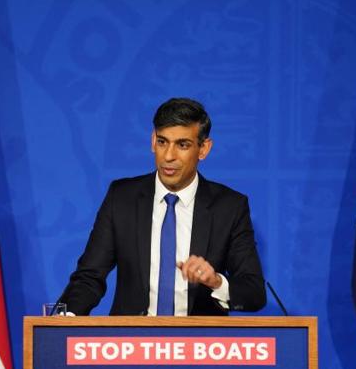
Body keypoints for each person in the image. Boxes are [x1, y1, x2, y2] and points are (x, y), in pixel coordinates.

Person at [59, 97, 266, 315]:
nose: (168, 156)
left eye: (183, 145)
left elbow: (254, 293)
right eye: (162, 142)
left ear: (203, 149)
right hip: (132, 343)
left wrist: (216, 282)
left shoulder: (229, 207)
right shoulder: (122, 198)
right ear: (152, 141)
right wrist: (63, 320)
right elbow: (89, 277)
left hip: (199, 344)